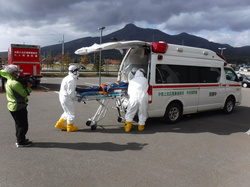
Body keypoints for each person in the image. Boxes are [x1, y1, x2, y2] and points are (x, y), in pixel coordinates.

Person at [4, 65, 33, 147]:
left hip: (13, 105)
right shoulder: (14, 83)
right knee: (23, 125)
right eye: (17, 72)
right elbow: (24, 94)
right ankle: (20, 142)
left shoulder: (9, 80)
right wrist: (29, 87)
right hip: (18, 106)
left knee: (19, 124)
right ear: (12, 73)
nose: (18, 73)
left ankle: (20, 138)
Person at [55, 65, 80, 132]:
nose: (78, 72)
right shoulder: (71, 80)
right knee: (71, 114)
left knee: (67, 112)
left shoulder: (67, 77)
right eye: (77, 71)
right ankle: (70, 127)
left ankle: (59, 124)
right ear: (74, 72)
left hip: (63, 97)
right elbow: (71, 93)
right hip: (67, 98)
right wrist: (77, 99)